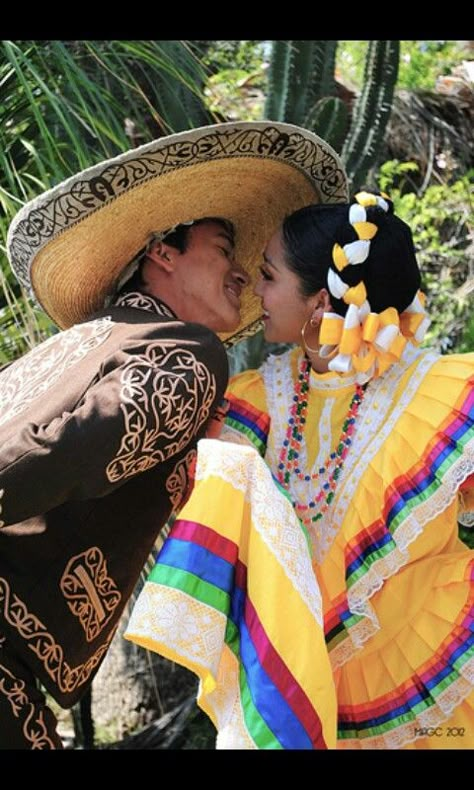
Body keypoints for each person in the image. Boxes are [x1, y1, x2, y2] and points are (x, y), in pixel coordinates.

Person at [0, 120, 348, 748]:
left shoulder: (76, 343)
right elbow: (64, 453)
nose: (242, 274)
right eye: (222, 248)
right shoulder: (188, 353)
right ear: (163, 251)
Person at [126, 190, 474, 749]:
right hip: (297, 686)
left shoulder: (445, 395)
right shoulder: (248, 403)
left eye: (268, 275)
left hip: (433, 674)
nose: (253, 289)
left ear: (320, 305)